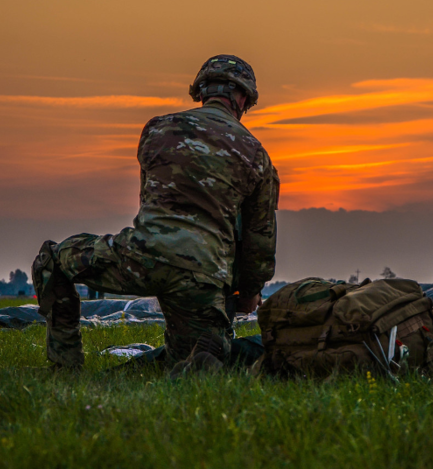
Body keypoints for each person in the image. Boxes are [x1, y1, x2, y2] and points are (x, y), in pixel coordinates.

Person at [32, 55, 279, 371]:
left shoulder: (158, 129)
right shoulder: (257, 156)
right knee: (196, 358)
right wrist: (249, 292)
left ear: (201, 91)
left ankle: (65, 368)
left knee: (52, 261)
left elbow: (148, 201)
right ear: (243, 98)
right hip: (202, 278)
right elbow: (259, 243)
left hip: (143, 256)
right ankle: (200, 359)